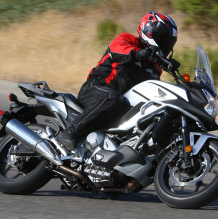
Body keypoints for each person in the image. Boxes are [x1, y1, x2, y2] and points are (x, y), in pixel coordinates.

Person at [59, 11, 180, 151]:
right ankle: (69, 132)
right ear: (151, 32)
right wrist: (139, 53)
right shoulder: (128, 40)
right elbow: (119, 51)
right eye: (164, 39)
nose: (167, 45)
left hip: (119, 103)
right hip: (95, 88)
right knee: (112, 98)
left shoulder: (154, 68)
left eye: (170, 42)